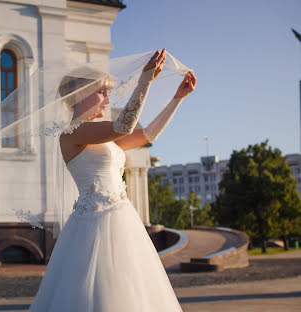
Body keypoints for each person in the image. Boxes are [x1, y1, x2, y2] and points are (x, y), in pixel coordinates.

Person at [28, 49, 196, 311]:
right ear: (80, 93)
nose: (108, 98)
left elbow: (148, 134)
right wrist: (145, 81)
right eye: (102, 91)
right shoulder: (73, 133)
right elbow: (124, 126)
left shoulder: (99, 133)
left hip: (122, 220)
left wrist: (177, 99)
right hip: (92, 227)